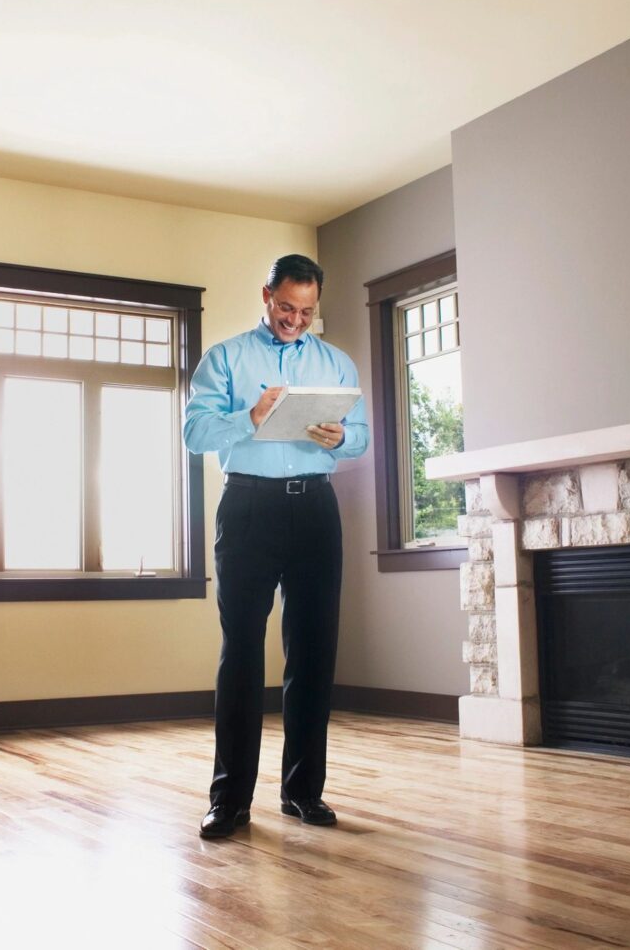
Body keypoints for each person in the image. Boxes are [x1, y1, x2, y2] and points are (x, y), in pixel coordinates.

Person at [183, 254, 369, 839]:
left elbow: (360, 439)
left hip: (315, 507)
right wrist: (250, 415)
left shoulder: (336, 363)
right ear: (267, 296)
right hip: (248, 508)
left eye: (307, 312)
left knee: (314, 653)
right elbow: (194, 432)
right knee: (241, 651)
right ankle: (230, 801)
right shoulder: (227, 358)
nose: (295, 320)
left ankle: (302, 793)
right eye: (286, 308)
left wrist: (342, 436)